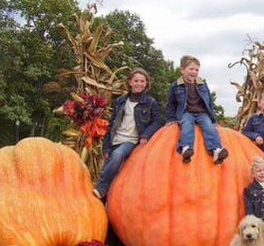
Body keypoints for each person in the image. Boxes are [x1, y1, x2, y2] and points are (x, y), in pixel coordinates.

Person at [94, 68, 162, 200]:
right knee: (109, 172)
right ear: (130, 82)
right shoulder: (120, 101)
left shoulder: (150, 102)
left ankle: (101, 187)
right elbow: (112, 124)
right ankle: (102, 207)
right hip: (115, 139)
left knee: (118, 155)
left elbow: (158, 121)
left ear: (146, 84)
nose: (139, 83)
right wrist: (106, 146)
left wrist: (145, 135)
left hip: (131, 141)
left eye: (142, 81)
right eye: (136, 81)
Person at [166, 55, 228, 164]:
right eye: (191, 69)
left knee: (209, 128)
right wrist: (170, 119)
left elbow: (209, 102)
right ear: (182, 70)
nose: (194, 72)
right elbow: (171, 104)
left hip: (201, 113)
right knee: (187, 125)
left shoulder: (202, 84)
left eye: (196, 70)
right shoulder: (176, 85)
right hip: (186, 112)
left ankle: (216, 150)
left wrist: (213, 120)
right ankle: (186, 148)